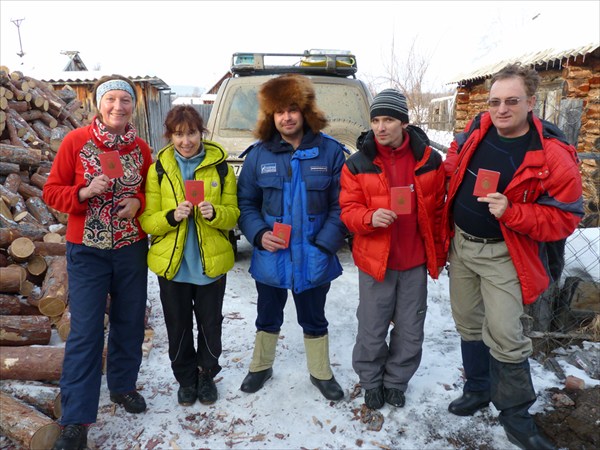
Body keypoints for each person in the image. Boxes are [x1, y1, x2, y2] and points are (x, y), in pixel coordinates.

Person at [442, 63, 583, 450]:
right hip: (462, 246)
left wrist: (513, 212)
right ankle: (477, 389)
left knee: (505, 334)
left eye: (511, 101)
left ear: (532, 102)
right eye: (494, 102)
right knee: (468, 322)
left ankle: (517, 416)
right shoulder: (476, 131)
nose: (501, 109)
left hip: (505, 253)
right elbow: (455, 159)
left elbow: (566, 219)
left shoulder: (552, 155)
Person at [43, 74, 153, 450]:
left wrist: (138, 202)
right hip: (87, 250)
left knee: (128, 322)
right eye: (111, 100)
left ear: (132, 106)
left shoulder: (141, 148)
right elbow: (51, 191)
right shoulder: (76, 142)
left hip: (130, 247)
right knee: (87, 332)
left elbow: (148, 192)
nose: (118, 107)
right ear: (98, 104)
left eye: (125, 100)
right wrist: (84, 191)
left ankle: (122, 386)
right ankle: (76, 418)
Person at [236, 73, 347, 401]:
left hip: (314, 252)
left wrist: (325, 244)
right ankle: (261, 366)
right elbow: (246, 202)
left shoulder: (330, 153)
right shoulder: (258, 155)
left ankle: (320, 372)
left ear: (306, 111)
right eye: (279, 110)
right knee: (267, 313)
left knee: (314, 316)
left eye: (293, 109)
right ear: (270, 115)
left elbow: (343, 204)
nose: (286, 117)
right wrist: (258, 234)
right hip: (273, 252)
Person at [339, 89, 445, 410]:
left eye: (388, 120)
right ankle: (371, 381)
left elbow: (439, 211)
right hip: (376, 263)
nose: (380, 127)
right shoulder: (358, 164)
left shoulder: (429, 160)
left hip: (414, 262)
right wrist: (370, 216)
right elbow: (347, 211)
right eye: (375, 120)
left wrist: (440, 250)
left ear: (404, 122)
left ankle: (396, 381)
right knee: (372, 327)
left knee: (411, 329)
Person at [139, 105, 239, 407]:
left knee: (210, 325)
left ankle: (206, 375)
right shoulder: (157, 169)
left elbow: (233, 215)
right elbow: (147, 220)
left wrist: (215, 212)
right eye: (179, 134)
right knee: (178, 326)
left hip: (210, 264)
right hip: (173, 265)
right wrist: (170, 216)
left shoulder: (220, 167)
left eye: (192, 133)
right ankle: (185, 379)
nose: (186, 141)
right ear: (170, 136)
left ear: (201, 132)